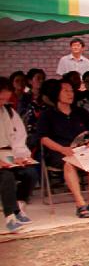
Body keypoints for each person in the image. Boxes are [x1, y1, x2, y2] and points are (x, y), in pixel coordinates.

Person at [36, 79, 89, 218]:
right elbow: (43, 138)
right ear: (56, 94)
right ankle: (80, 203)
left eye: (71, 90)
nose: (70, 94)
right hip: (59, 152)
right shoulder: (47, 115)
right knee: (69, 164)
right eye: (65, 91)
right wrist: (62, 149)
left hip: (81, 149)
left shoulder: (80, 111)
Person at [0, 77, 36, 232]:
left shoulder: (8, 111)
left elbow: (19, 137)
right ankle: (10, 216)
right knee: (6, 176)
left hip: (8, 154)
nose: (3, 99)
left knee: (30, 172)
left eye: (6, 96)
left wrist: (21, 156)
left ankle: (19, 207)